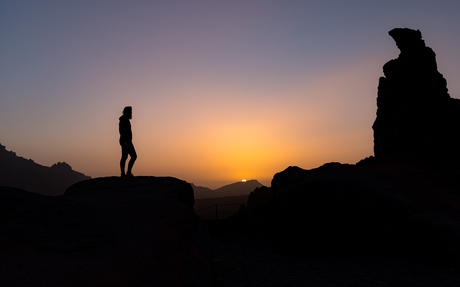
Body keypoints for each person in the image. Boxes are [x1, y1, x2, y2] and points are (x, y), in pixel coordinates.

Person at [119, 106, 137, 177]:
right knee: (128, 156)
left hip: (127, 141)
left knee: (129, 156)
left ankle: (127, 173)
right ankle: (124, 173)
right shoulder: (123, 119)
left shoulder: (125, 119)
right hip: (125, 141)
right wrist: (125, 142)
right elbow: (122, 131)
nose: (131, 114)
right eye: (130, 112)